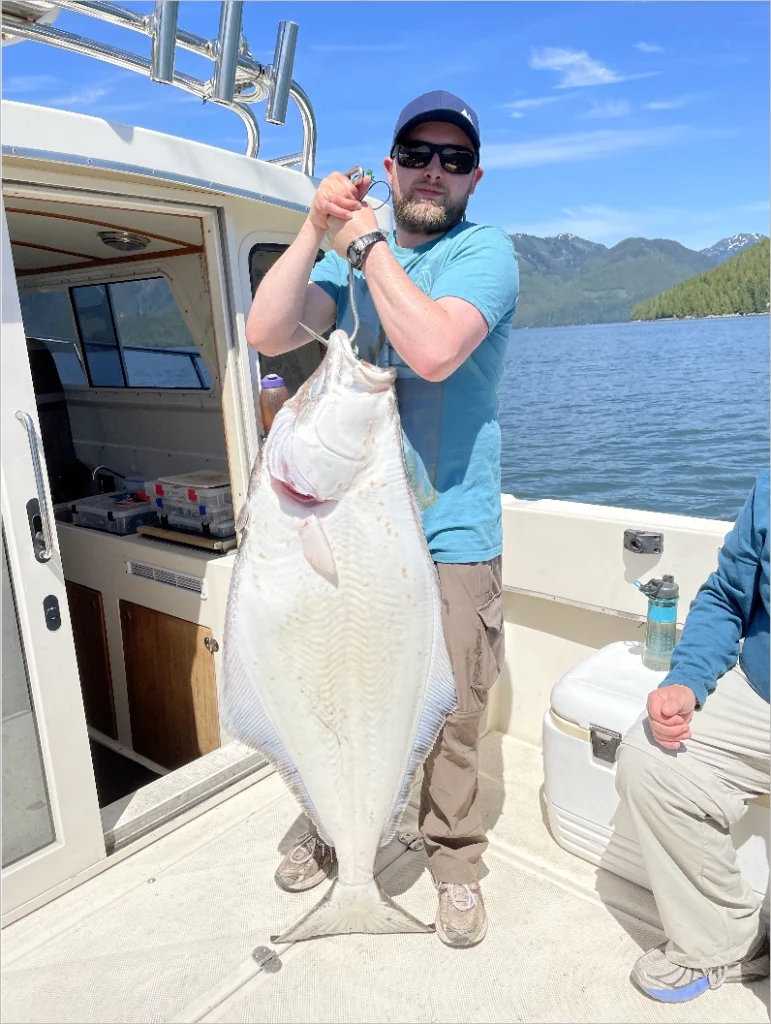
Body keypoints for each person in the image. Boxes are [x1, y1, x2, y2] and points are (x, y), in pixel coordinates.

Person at [245, 90, 519, 947]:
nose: (433, 170)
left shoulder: (487, 253)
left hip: (448, 535)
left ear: (474, 176)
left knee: (452, 714)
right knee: (335, 695)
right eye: (417, 152)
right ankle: (337, 833)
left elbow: (434, 352)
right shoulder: (344, 262)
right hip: (346, 531)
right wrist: (312, 227)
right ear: (391, 163)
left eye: (453, 158)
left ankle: (454, 862)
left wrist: (362, 242)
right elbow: (264, 333)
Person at [616, 469, 770, 1002]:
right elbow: (729, 598)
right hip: (760, 694)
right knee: (649, 758)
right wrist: (687, 679)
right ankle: (727, 940)